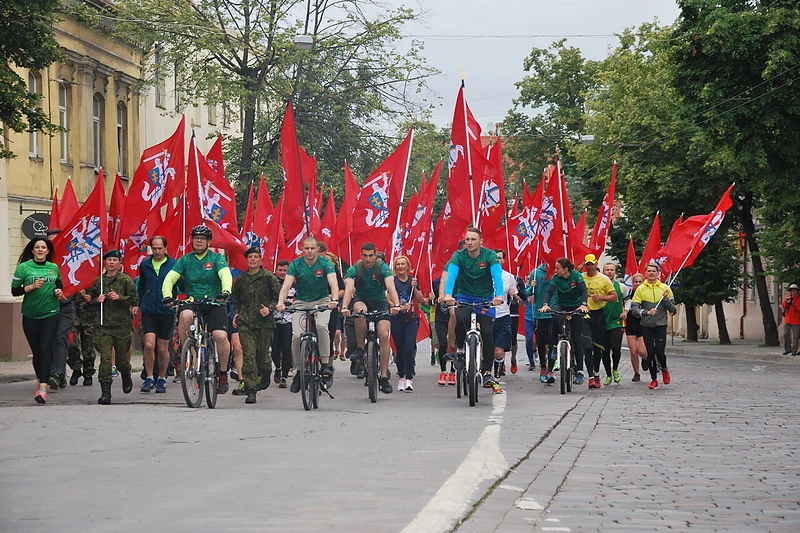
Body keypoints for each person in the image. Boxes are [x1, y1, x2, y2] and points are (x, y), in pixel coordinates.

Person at [162, 224, 233, 394]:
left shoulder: (216, 259)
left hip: (215, 301)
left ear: (208, 241)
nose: (199, 240)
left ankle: (223, 373)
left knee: (220, 336)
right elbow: (170, 278)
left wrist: (225, 292)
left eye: (202, 238)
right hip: (193, 301)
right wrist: (166, 295)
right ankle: (191, 349)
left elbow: (225, 275)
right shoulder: (185, 260)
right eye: (196, 238)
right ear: (192, 240)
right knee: (185, 315)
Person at [442, 227, 505, 394]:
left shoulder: (490, 256)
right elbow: (452, 276)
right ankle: (461, 351)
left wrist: (498, 296)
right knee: (460, 318)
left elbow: (497, 277)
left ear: (481, 241)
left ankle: (488, 372)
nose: (469, 242)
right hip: (464, 296)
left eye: (473, 239)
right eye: (467, 239)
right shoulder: (459, 256)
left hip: (485, 298)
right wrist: (448, 294)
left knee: (486, 331)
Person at [275, 236, 340, 393]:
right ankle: (299, 370)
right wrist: (280, 302)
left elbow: (333, 283)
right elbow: (286, 285)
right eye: (306, 248)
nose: (310, 251)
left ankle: (325, 364)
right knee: (297, 336)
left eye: (312, 248)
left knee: (321, 326)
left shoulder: (325, 263)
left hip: (322, 301)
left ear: (317, 249)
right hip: (301, 302)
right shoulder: (296, 264)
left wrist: (335, 299)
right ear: (302, 249)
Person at [341, 242, 401, 395]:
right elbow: (348, 289)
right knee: (360, 311)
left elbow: (391, 287)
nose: (368, 259)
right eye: (365, 255)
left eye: (371, 255)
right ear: (361, 255)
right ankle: (361, 348)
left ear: (375, 255)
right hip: (362, 299)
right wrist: (344, 306)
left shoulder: (382, 267)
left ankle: (384, 375)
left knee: (384, 334)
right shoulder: (355, 268)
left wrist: (397, 305)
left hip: (380, 302)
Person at [11, 237, 64, 403]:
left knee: (45, 348)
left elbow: (59, 285)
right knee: (37, 351)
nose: (40, 250)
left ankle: (42, 387)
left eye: (43, 247)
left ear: (48, 251)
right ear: (32, 250)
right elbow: (14, 291)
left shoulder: (53, 268)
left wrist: (58, 292)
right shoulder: (23, 268)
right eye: (37, 247)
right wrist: (31, 287)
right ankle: (41, 377)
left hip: (51, 312)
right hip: (30, 313)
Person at [231, 247, 281, 404]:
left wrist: (270, 308)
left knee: (262, 357)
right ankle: (250, 390)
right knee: (249, 356)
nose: (252, 259)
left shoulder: (268, 277)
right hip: (246, 322)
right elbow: (236, 299)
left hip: (264, 323)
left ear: (260, 259)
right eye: (250, 257)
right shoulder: (241, 279)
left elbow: (277, 297)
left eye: (255, 257)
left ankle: (266, 372)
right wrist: (237, 312)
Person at [89, 249, 138, 405]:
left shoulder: (125, 280)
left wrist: (120, 297)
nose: (111, 263)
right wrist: (97, 299)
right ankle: (105, 392)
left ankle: (125, 373)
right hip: (103, 326)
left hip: (121, 325)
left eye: (114, 260)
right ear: (105, 262)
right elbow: (90, 300)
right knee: (105, 358)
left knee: (122, 358)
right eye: (109, 260)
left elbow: (134, 299)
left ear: (119, 263)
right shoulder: (99, 281)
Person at [132, 236, 176, 394]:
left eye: (160, 248)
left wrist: (174, 299)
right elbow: (142, 286)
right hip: (149, 309)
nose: (157, 251)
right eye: (154, 248)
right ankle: (149, 376)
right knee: (149, 345)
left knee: (162, 349)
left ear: (166, 249)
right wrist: (139, 304)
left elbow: (179, 285)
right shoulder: (145, 265)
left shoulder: (173, 264)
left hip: (166, 310)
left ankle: (162, 378)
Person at [539, 257, 589, 385]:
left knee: (577, 338)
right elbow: (549, 292)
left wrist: (583, 305)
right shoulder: (556, 278)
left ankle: (579, 371)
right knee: (555, 317)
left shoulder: (576, 276)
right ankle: (556, 347)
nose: (555, 271)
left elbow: (584, 290)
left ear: (566, 269)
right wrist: (545, 304)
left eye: (558, 268)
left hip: (576, 306)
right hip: (561, 304)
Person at [630, 262, 677, 390]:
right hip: (646, 325)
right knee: (650, 352)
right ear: (646, 273)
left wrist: (666, 300)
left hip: (661, 325)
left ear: (658, 273)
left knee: (659, 352)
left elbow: (673, 310)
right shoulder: (641, 289)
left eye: (653, 271)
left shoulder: (665, 288)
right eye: (649, 271)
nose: (651, 273)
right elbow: (634, 308)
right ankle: (653, 379)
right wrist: (645, 312)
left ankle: (664, 369)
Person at [390, 255, 427, 392]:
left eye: (402, 264)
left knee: (408, 348)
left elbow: (421, 299)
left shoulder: (413, 280)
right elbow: (388, 299)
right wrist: (397, 306)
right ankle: (401, 377)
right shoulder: (392, 281)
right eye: (398, 264)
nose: (400, 266)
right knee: (399, 350)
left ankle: (409, 377)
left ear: (408, 266)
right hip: (397, 319)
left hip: (411, 319)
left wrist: (415, 288)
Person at [582, 253, 618, 389]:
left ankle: (596, 373)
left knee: (597, 347)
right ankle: (590, 376)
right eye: (587, 264)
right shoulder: (580, 277)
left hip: (598, 314)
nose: (590, 267)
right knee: (587, 346)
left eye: (592, 264)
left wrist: (601, 297)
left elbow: (614, 297)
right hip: (584, 314)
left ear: (596, 264)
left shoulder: (604, 279)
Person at [45, 227, 74, 390]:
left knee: (59, 336)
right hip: (44, 306)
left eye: (58, 240)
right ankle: (52, 373)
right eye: (51, 241)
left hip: (65, 305)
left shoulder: (70, 259)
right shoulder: (39, 261)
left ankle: (57, 373)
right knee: (45, 341)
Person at [491, 250, 518, 386]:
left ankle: (497, 374)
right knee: (487, 348)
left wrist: (513, 294)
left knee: (499, 350)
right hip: (486, 315)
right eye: (494, 258)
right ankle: (481, 371)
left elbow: (517, 298)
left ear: (503, 261)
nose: (497, 260)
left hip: (503, 315)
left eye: (500, 258)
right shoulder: (484, 275)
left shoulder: (509, 277)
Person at [526, 262, 553, 382]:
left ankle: (551, 369)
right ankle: (543, 366)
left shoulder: (558, 272)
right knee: (541, 342)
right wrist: (532, 287)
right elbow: (527, 292)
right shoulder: (536, 273)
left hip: (555, 312)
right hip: (540, 314)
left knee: (553, 341)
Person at [601, 263, 625, 385]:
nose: (609, 272)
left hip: (617, 322)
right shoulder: (599, 285)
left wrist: (625, 311)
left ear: (615, 272)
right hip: (602, 321)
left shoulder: (620, 286)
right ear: (603, 272)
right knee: (604, 350)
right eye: (607, 270)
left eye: (611, 270)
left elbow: (628, 298)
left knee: (616, 347)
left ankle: (615, 369)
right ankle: (608, 374)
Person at [272, 259, 295, 388]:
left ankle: (284, 377)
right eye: (280, 270)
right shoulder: (272, 284)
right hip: (274, 320)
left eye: (285, 270)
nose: (282, 273)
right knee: (275, 348)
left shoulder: (294, 285)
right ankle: (278, 367)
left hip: (288, 320)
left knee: (286, 348)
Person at [67, 289, 97, 386]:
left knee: (89, 347)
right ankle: (76, 368)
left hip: (90, 316)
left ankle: (88, 373)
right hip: (73, 314)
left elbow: (102, 294)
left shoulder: (95, 279)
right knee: (71, 344)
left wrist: (92, 299)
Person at [432, 276, 457, 386]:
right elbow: (430, 302)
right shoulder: (436, 282)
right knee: (442, 344)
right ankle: (443, 371)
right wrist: (431, 298)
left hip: (455, 317)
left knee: (454, 344)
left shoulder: (460, 280)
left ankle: (453, 371)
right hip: (440, 318)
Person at [623, 273, 647, 381]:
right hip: (631, 324)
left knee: (642, 351)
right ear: (632, 283)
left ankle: (646, 359)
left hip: (643, 325)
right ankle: (636, 373)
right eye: (635, 282)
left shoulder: (645, 294)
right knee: (633, 351)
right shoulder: (629, 294)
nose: (637, 284)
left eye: (639, 282)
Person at [781, 284, 800, 356]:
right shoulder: (788, 297)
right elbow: (784, 306)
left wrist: (794, 304)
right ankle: (788, 349)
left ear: (798, 291)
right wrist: (787, 303)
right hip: (788, 319)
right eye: (792, 291)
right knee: (786, 334)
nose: (794, 292)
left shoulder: (799, 299)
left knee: (796, 336)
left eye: (795, 290)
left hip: (796, 320)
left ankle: (794, 351)